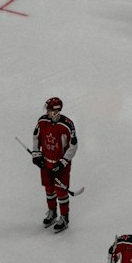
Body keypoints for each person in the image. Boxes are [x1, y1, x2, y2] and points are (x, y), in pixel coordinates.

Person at [31, 95, 77, 231]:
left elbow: (73, 145)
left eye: (49, 110)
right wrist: (36, 153)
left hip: (61, 165)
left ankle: (64, 217)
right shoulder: (42, 121)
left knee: (61, 191)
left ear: (56, 111)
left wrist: (63, 162)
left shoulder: (67, 125)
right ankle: (52, 212)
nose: (47, 112)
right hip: (46, 163)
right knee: (49, 189)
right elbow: (36, 137)